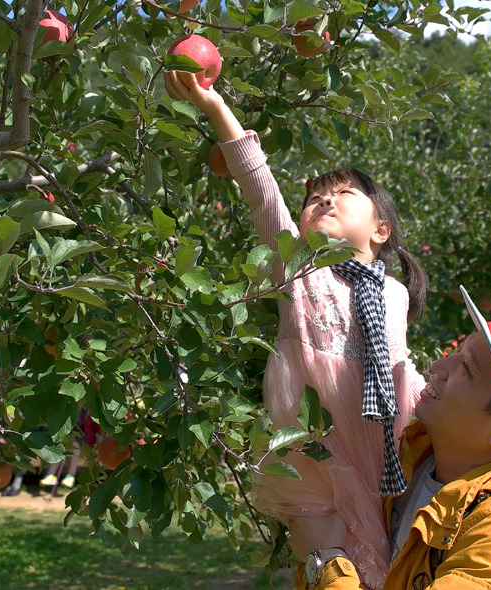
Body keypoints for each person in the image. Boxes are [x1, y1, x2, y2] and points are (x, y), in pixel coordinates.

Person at [164, 72, 429, 586]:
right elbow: (258, 184)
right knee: (335, 565)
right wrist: (215, 106)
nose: (324, 201)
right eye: (314, 199)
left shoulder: (392, 294)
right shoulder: (299, 269)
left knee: (389, 562)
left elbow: (400, 365)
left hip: (385, 451)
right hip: (315, 449)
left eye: (344, 194)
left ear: (380, 229)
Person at [293, 288, 491, 589]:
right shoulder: (411, 457)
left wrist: (325, 565)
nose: (439, 365)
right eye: (459, 350)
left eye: (467, 369)